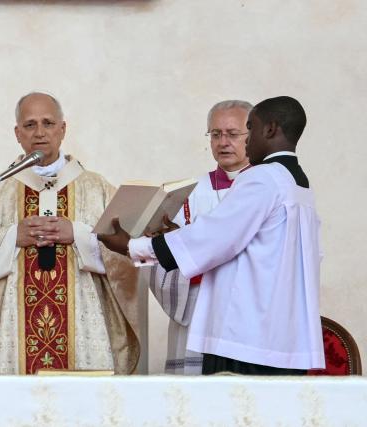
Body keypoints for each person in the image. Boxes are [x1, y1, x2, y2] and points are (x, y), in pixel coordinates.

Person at [100, 96, 324, 375]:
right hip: (279, 334)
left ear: (270, 130)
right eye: (216, 134)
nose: (240, 141)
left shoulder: (263, 178)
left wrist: (133, 246)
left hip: (245, 336)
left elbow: (216, 238)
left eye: (247, 129)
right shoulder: (297, 183)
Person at [0, 92, 139, 374]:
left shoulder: (96, 188)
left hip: (84, 333)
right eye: (30, 125)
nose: (40, 133)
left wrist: (77, 234)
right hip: (13, 336)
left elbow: (129, 251)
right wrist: (12, 237)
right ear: (17, 133)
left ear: (63, 129)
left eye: (48, 123)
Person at [150, 100, 252, 375]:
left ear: (251, 135)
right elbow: (161, 264)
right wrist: (176, 252)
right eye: (215, 134)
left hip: (249, 319)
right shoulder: (188, 194)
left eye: (232, 134)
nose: (223, 142)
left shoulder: (268, 188)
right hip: (197, 314)